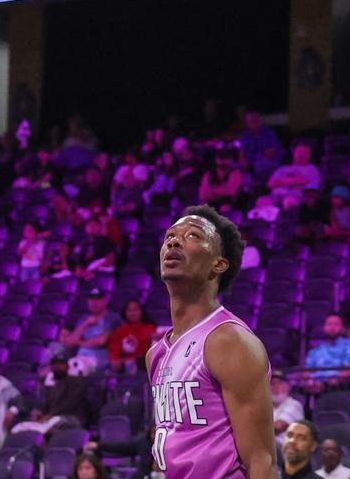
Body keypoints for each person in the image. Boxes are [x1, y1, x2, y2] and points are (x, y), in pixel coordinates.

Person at [148, 205, 276, 478]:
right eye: (170, 235)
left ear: (218, 264)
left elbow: (261, 460)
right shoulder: (156, 353)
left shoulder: (228, 339)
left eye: (193, 235)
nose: (174, 240)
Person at [12, 354, 89, 434]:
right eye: (55, 365)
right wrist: (39, 411)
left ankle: (42, 445)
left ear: (67, 367)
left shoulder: (77, 381)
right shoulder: (52, 386)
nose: (57, 367)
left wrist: (51, 415)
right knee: (21, 427)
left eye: (61, 364)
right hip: (52, 418)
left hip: (73, 417)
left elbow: (70, 403)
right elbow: (47, 405)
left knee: (50, 424)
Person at [60, 289, 119, 372]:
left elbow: (101, 341)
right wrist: (85, 324)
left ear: (105, 301)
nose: (94, 303)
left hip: (101, 357)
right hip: (81, 357)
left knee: (75, 369)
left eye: (97, 299)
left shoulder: (112, 318)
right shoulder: (84, 318)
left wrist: (79, 343)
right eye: (91, 299)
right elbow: (70, 342)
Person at [304, 313, 350, 389]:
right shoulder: (315, 351)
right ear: (324, 328)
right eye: (329, 324)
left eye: (336, 324)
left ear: (343, 329)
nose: (332, 328)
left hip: (339, 388)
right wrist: (310, 382)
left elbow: (349, 371)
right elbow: (306, 371)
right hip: (314, 386)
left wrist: (330, 383)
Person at [109, 299, 157, 374]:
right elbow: (114, 350)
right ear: (125, 313)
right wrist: (115, 360)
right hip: (123, 366)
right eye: (129, 310)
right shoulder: (120, 331)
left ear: (142, 312)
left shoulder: (152, 329)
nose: (132, 313)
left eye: (135, 309)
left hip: (143, 365)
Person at [269, 144, 321, 209]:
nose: (301, 155)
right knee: (262, 201)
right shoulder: (283, 168)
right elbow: (271, 184)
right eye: (299, 152)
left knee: (288, 200)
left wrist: (282, 181)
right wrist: (295, 180)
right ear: (294, 154)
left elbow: (308, 182)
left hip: (298, 196)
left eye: (304, 153)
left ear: (309, 156)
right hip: (277, 195)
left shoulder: (312, 169)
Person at [271, 371, 305, 445]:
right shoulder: (268, 408)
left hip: (286, 449)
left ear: (288, 387)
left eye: (280, 383)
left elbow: (277, 428)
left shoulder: (294, 404)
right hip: (269, 448)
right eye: (272, 384)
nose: (275, 386)